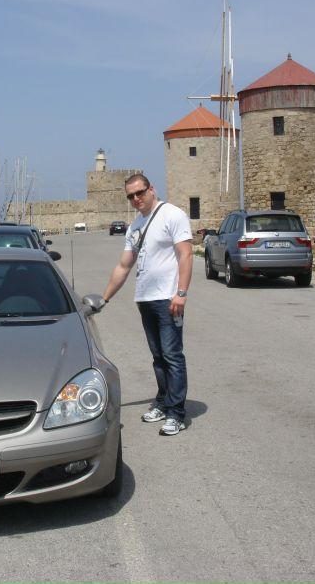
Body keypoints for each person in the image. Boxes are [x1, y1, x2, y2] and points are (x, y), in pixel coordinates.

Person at [102, 173, 193, 436]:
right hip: (145, 299)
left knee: (172, 356)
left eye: (139, 192)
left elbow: (186, 255)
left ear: (151, 189)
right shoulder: (135, 226)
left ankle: (176, 413)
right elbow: (123, 266)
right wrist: (104, 298)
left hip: (168, 298)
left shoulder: (172, 215)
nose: (136, 199)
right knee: (158, 357)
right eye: (130, 196)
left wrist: (181, 293)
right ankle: (163, 402)